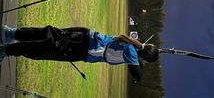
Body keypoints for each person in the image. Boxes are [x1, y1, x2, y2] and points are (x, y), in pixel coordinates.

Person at [0, 25, 159, 80]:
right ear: (143, 58)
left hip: (84, 36)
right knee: (43, 50)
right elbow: (138, 75)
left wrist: (143, 51)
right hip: (81, 49)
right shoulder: (131, 51)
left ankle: (11, 33)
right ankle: (6, 49)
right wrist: (142, 57)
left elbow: (138, 67)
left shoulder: (132, 46)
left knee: (48, 34)